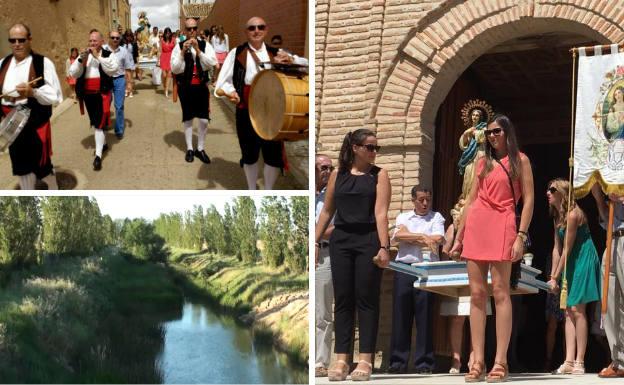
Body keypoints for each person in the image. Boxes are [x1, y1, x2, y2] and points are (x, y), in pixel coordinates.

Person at [450, 114, 534, 382]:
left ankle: (501, 361)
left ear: (507, 131)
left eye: (497, 131)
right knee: (476, 294)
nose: (492, 136)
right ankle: (477, 360)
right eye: (489, 133)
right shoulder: (482, 162)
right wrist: (458, 237)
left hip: (505, 222)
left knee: (500, 292)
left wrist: (521, 235)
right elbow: (471, 200)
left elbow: (529, 201)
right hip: (478, 223)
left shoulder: (521, 160)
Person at [315, 129, 391, 381]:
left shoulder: (379, 175)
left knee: (367, 299)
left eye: (376, 148)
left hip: (368, 239)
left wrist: (384, 247)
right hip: (342, 241)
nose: (374, 152)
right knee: (344, 299)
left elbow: (381, 213)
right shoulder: (338, 175)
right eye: (370, 147)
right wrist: (314, 241)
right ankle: (341, 360)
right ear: (356, 148)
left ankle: (366, 360)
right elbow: (327, 211)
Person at [214, 16, 308, 190]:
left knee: (272, 155)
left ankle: (268, 190)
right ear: (246, 32)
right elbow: (222, 83)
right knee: (249, 153)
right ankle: (251, 188)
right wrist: (231, 92)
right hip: (246, 108)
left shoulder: (276, 52)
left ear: (266, 30)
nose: (256, 31)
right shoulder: (237, 52)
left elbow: (306, 65)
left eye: (260, 27)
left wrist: (291, 60)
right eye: (251, 28)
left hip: (274, 110)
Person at [545, 179, 600, 375]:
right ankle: (568, 360)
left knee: (578, 309)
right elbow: (557, 248)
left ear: (562, 193)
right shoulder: (557, 217)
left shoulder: (573, 214)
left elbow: (567, 248)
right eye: (548, 189)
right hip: (571, 260)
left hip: (583, 258)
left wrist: (556, 278)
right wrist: (553, 276)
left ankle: (580, 361)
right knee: (567, 310)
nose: (548, 193)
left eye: (552, 190)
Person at [387, 186, 444, 374]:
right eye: (421, 200)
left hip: (426, 270)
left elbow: (437, 239)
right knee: (401, 316)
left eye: (428, 199)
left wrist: (410, 237)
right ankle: (397, 362)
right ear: (413, 200)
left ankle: (424, 363)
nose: (425, 203)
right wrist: (422, 236)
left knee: (425, 316)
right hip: (404, 268)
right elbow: (398, 236)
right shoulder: (403, 217)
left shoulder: (437, 217)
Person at [0, 23, 62, 190]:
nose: (17, 44)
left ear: (29, 40)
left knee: (42, 168)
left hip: (33, 124)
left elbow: (55, 95)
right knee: (21, 168)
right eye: (12, 40)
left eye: (21, 39)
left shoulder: (43, 63)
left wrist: (33, 92)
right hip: (11, 124)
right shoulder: (2, 64)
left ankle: (54, 188)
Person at [69, 29, 119, 171]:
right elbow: (73, 73)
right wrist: (80, 61)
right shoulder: (84, 55)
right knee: (95, 121)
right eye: (90, 40)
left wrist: (99, 57)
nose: (92, 43)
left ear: (101, 41)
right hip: (88, 95)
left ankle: (97, 157)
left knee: (99, 124)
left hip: (101, 94)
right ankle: (102, 145)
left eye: (95, 40)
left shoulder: (108, 54)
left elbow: (112, 69)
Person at [171, 17, 217, 164]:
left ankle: (200, 148)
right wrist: (182, 53)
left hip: (201, 86)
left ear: (197, 29)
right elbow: (174, 68)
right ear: (185, 30)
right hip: (186, 87)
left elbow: (211, 64)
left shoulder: (205, 45)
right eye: (189, 29)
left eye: (194, 28)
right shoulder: (178, 46)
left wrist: (198, 50)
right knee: (188, 118)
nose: (192, 31)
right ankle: (190, 148)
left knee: (204, 119)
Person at [591, 183, 624, 378]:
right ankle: (619, 360)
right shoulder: (612, 175)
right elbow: (605, 218)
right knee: (610, 301)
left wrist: (621, 198)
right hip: (612, 239)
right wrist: (597, 196)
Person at [315, 154, 335, 378]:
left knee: (323, 312)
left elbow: (336, 226)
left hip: (325, 253)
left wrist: (315, 238)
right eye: (323, 167)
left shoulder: (334, 198)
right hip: (308, 250)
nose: (327, 172)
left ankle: (321, 361)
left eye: (330, 168)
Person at [103, 30, 133, 140]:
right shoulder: (103, 49)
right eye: (113, 37)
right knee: (105, 106)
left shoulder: (124, 51)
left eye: (117, 38)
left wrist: (129, 84)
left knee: (119, 106)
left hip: (120, 80)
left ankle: (119, 129)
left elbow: (128, 68)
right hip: (106, 80)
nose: (115, 39)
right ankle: (104, 124)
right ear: (109, 37)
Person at [159, 27, 175, 98]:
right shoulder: (162, 40)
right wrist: (158, 60)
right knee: (164, 75)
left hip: (171, 58)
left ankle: (166, 90)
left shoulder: (173, 40)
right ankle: (165, 86)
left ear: (170, 33)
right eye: (166, 33)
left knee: (169, 75)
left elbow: (176, 50)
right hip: (163, 57)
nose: (167, 35)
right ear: (164, 34)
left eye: (169, 33)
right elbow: (160, 50)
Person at [122, 30, 137, 97]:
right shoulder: (122, 43)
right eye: (127, 35)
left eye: (130, 35)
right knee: (125, 77)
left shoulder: (134, 43)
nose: (128, 37)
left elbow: (136, 54)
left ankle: (130, 91)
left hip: (131, 61)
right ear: (125, 36)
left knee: (131, 77)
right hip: (124, 61)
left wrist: (137, 63)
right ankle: (126, 90)